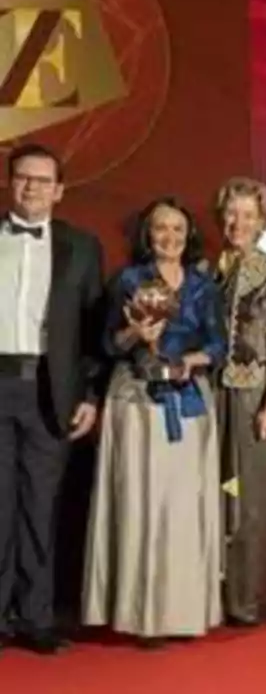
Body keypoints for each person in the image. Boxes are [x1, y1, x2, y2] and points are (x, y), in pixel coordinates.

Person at [82, 198, 227, 648]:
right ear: (148, 234)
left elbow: (220, 345)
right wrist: (135, 335)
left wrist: (189, 361)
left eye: (177, 229)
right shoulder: (128, 281)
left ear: (189, 236)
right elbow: (107, 343)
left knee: (184, 507)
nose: (169, 237)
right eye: (160, 229)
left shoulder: (204, 286)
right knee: (140, 503)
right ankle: (139, 613)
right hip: (137, 402)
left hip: (187, 402)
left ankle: (182, 611)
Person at [0, 145, 104, 655]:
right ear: (8, 182)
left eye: (42, 180)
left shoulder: (81, 248)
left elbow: (92, 329)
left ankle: (36, 617)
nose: (31, 187)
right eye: (22, 178)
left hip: (50, 388)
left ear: (59, 190)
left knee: (40, 507)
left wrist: (88, 393)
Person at [212, 177, 266, 626]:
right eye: (232, 213)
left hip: (252, 398)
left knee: (247, 494)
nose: (238, 222)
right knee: (217, 490)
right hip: (208, 398)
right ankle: (212, 594)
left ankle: (250, 597)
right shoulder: (205, 268)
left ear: (262, 221)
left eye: (248, 215)